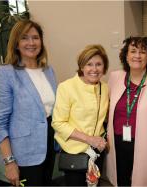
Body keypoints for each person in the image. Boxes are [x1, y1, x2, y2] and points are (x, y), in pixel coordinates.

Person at [0, 20, 57, 186]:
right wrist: (9, 162)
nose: (31, 43)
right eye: (25, 38)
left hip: (49, 145)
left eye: (35, 37)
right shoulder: (5, 74)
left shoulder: (48, 71)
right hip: (23, 153)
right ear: (16, 43)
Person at [105, 36, 147, 186]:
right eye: (133, 51)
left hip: (145, 143)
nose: (137, 55)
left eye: (142, 52)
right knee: (120, 180)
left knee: (141, 182)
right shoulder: (115, 77)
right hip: (116, 141)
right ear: (126, 55)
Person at [52, 44, 109, 186]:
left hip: (97, 151)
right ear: (81, 66)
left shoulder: (105, 87)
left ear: (104, 67)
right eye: (89, 64)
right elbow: (58, 123)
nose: (94, 69)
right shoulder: (66, 87)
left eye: (98, 64)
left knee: (94, 184)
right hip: (75, 152)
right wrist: (90, 139)